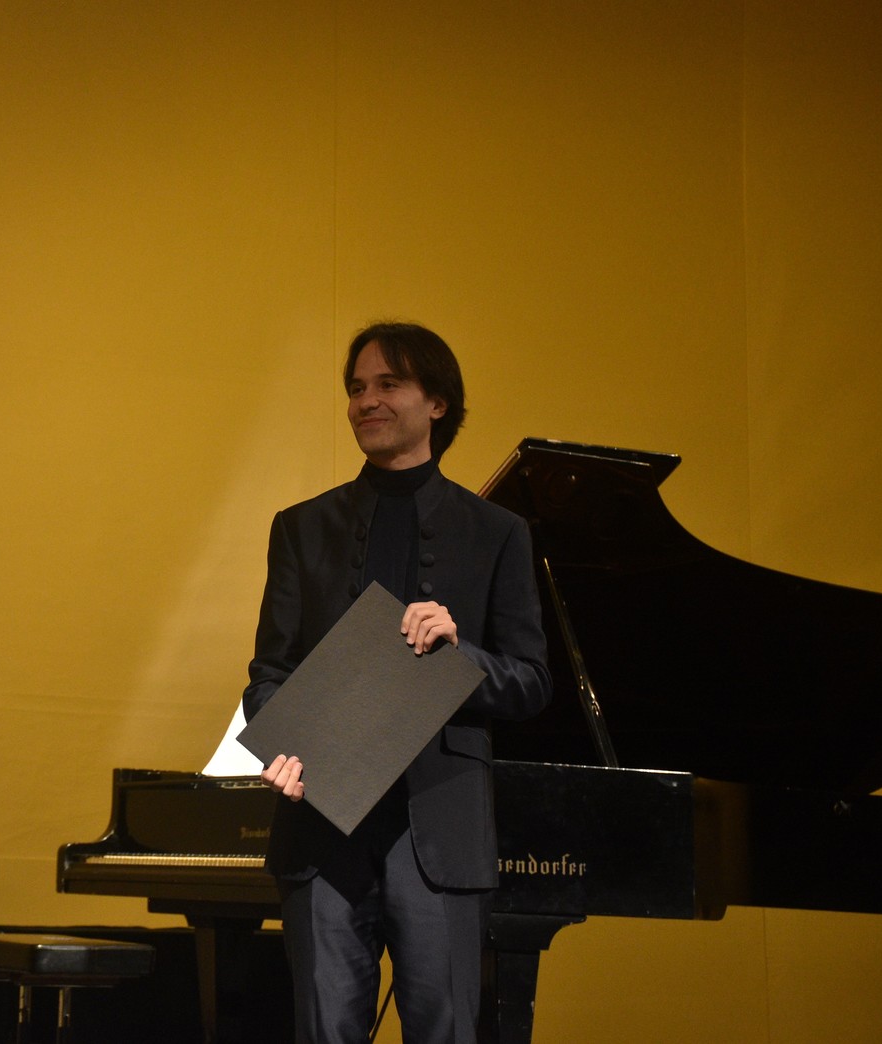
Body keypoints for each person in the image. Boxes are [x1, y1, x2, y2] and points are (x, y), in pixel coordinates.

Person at [242, 321, 549, 1044]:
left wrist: (457, 653)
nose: (364, 401)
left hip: (436, 828)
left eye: (386, 384)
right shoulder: (301, 527)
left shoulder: (497, 532)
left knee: (443, 1030)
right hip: (320, 825)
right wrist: (275, 748)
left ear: (436, 403)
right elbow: (268, 673)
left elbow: (532, 683)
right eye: (355, 388)